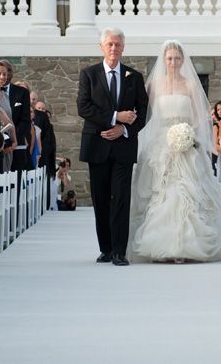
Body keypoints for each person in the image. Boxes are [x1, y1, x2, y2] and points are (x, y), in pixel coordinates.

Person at [129, 40, 221, 263]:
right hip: (160, 143)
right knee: (160, 192)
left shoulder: (189, 85)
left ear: (183, 60)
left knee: (188, 191)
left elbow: (199, 116)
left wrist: (189, 134)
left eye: (177, 58)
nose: (173, 62)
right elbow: (145, 115)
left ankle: (188, 245)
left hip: (186, 142)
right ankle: (160, 244)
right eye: (169, 58)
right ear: (164, 60)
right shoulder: (154, 85)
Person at [76, 27, 149, 266]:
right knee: (101, 198)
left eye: (118, 44)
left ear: (123, 47)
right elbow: (84, 107)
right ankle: (105, 248)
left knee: (120, 198)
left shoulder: (134, 77)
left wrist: (124, 129)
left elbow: (142, 112)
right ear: (101, 47)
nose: (114, 48)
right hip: (97, 144)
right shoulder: (89, 74)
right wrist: (116, 117)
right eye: (109, 44)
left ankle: (119, 251)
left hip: (123, 147)